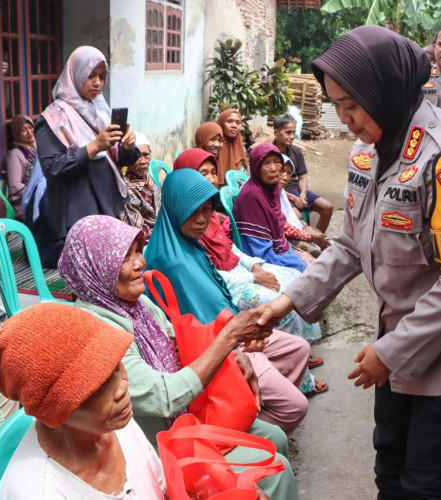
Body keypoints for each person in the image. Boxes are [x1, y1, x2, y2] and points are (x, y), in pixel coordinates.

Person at [258, 26, 441, 498]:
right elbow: (349, 245)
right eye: (336, 105)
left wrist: (389, 352)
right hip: (407, 332)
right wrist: (286, 302)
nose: (345, 120)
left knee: (429, 482)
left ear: (384, 90)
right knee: (391, 462)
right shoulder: (369, 152)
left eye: (351, 105)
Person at [57, 216, 297, 499]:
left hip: (184, 421)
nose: (139, 263)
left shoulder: (133, 303)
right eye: (124, 257)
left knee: (275, 437)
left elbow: (179, 343)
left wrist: (230, 354)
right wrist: (229, 336)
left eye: (138, 251)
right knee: (276, 468)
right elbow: (165, 397)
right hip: (156, 449)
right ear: (94, 269)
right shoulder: (98, 331)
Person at [144, 169, 317, 430]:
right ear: (176, 207)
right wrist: (240, 339)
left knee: (299, 348)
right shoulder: (172, 261)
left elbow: (218, 296)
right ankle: (246, 427)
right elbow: (203, 323)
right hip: (210, 348)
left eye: (207, 210)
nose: (202, 219)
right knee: (295, 405)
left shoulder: (188, 243)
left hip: (228, 332)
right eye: (194, 210)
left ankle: (250, 412)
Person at [0, 302, 168, 499]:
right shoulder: (40, 492)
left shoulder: (115, 420)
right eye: (96, 386)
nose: (121, 388)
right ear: (53, 411)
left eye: (116, 366)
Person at [173, 148, 327, 371]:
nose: (209, 179)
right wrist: (252, 275)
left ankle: (300, 351)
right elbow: (205, 274)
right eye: (201, 172)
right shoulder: (183, 220)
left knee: (297, 281)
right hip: (227, 285)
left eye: (212, 172)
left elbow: (231, 248)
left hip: (239, 268)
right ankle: (293, 371)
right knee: (283, 304)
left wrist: (254, 267)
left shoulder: (211, 214)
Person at [36, 45, 139, 238]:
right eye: (90, 76)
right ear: (75, 74)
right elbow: (52, 167)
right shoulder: (53, 117)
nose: (97, 83)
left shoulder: (100, 109)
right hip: (79, 212)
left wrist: (127, 147)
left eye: (102, 77)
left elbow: (118, 157)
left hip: (107, 203)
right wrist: (94, 147)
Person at [233, 143, 309, 272]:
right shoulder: (253, 196)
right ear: (256, 168)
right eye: (266, 163)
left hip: (274, 247)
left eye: (277, 163)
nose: (273, 168)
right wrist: (298, 263)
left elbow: (278, 229)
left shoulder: (271, 190)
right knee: (310, 271)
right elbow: (260, 251)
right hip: (259, 255)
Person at [273, 114, 334, 234]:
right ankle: (301, 244)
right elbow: (268, 184)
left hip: (296, 190)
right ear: (276, 133)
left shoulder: (296, 151)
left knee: (327, 207)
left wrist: (302, 194)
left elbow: (302, 177)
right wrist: (293, 198)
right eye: (288, 132)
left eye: (293, 133)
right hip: (279, 193)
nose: (292, 136)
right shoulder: (269, 154)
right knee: (297, 217)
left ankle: (316, 242)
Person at [279, 155, 328, 258]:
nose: (285, 177)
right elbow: (283, 228)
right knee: (319, 254)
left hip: (287, 230)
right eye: (282, 171)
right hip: (278, 239)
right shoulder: (265, 193)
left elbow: (289, 217)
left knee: (325, 243)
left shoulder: (279, 191)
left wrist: (304, 227)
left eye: (289, 173)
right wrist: (309, 236)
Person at [22, 158, 65, 269]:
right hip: (44, 252)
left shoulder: (42, 186)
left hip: (36, 249)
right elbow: (59, 231)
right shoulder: (47, 191)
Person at [121, 133, 160, 244]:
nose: (143, 161)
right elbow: (139, 231)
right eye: (137, 156)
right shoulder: (126, 190)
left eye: (146, 155)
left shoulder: (149, 179)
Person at [5, 115, 36, 219]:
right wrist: (38, 191)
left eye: (31, 128)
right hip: (26, 203)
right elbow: (15, 186)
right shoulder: (15, 154)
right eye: (24, 130)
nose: (29, 132)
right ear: (17, 133)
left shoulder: (35, 147)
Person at [216, 108, 247, 184]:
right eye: (229, 121)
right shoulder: (214, 146)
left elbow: (243, 178)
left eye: (238, 122)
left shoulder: (240, 148)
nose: (234, 126)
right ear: (222, 123)